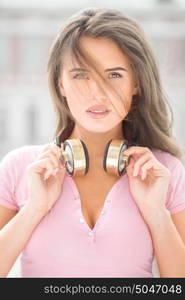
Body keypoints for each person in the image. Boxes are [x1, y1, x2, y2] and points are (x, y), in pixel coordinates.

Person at [0, 7, 185, 278]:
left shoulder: (164, 172)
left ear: (137, 84)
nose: (97, 93)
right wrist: (34, 209)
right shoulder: (20, 168)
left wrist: (156, 213)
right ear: (60, 83)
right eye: (80, 75)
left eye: (114, 75)